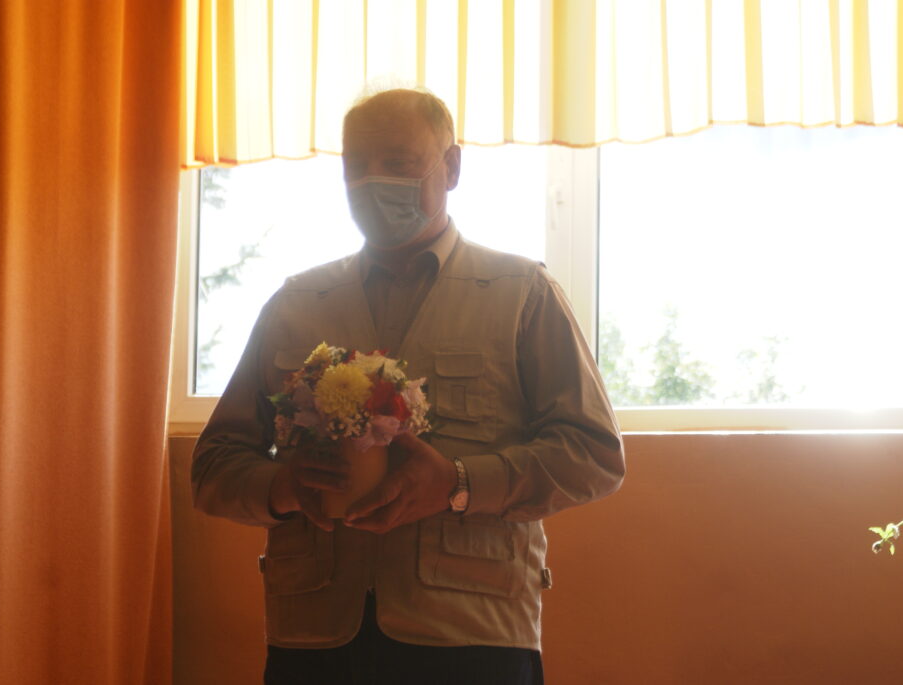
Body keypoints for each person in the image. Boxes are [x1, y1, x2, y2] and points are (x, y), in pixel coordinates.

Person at [192, 88, 625, 685]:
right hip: (315, 634)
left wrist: (458, 484)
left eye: (397, 162)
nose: (373, 182)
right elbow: (213, 467)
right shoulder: (296, 303)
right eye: (356, 166)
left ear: (452, 167)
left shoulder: (522, 292)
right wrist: (284, 486)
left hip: (472, 633)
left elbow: (594, 454)